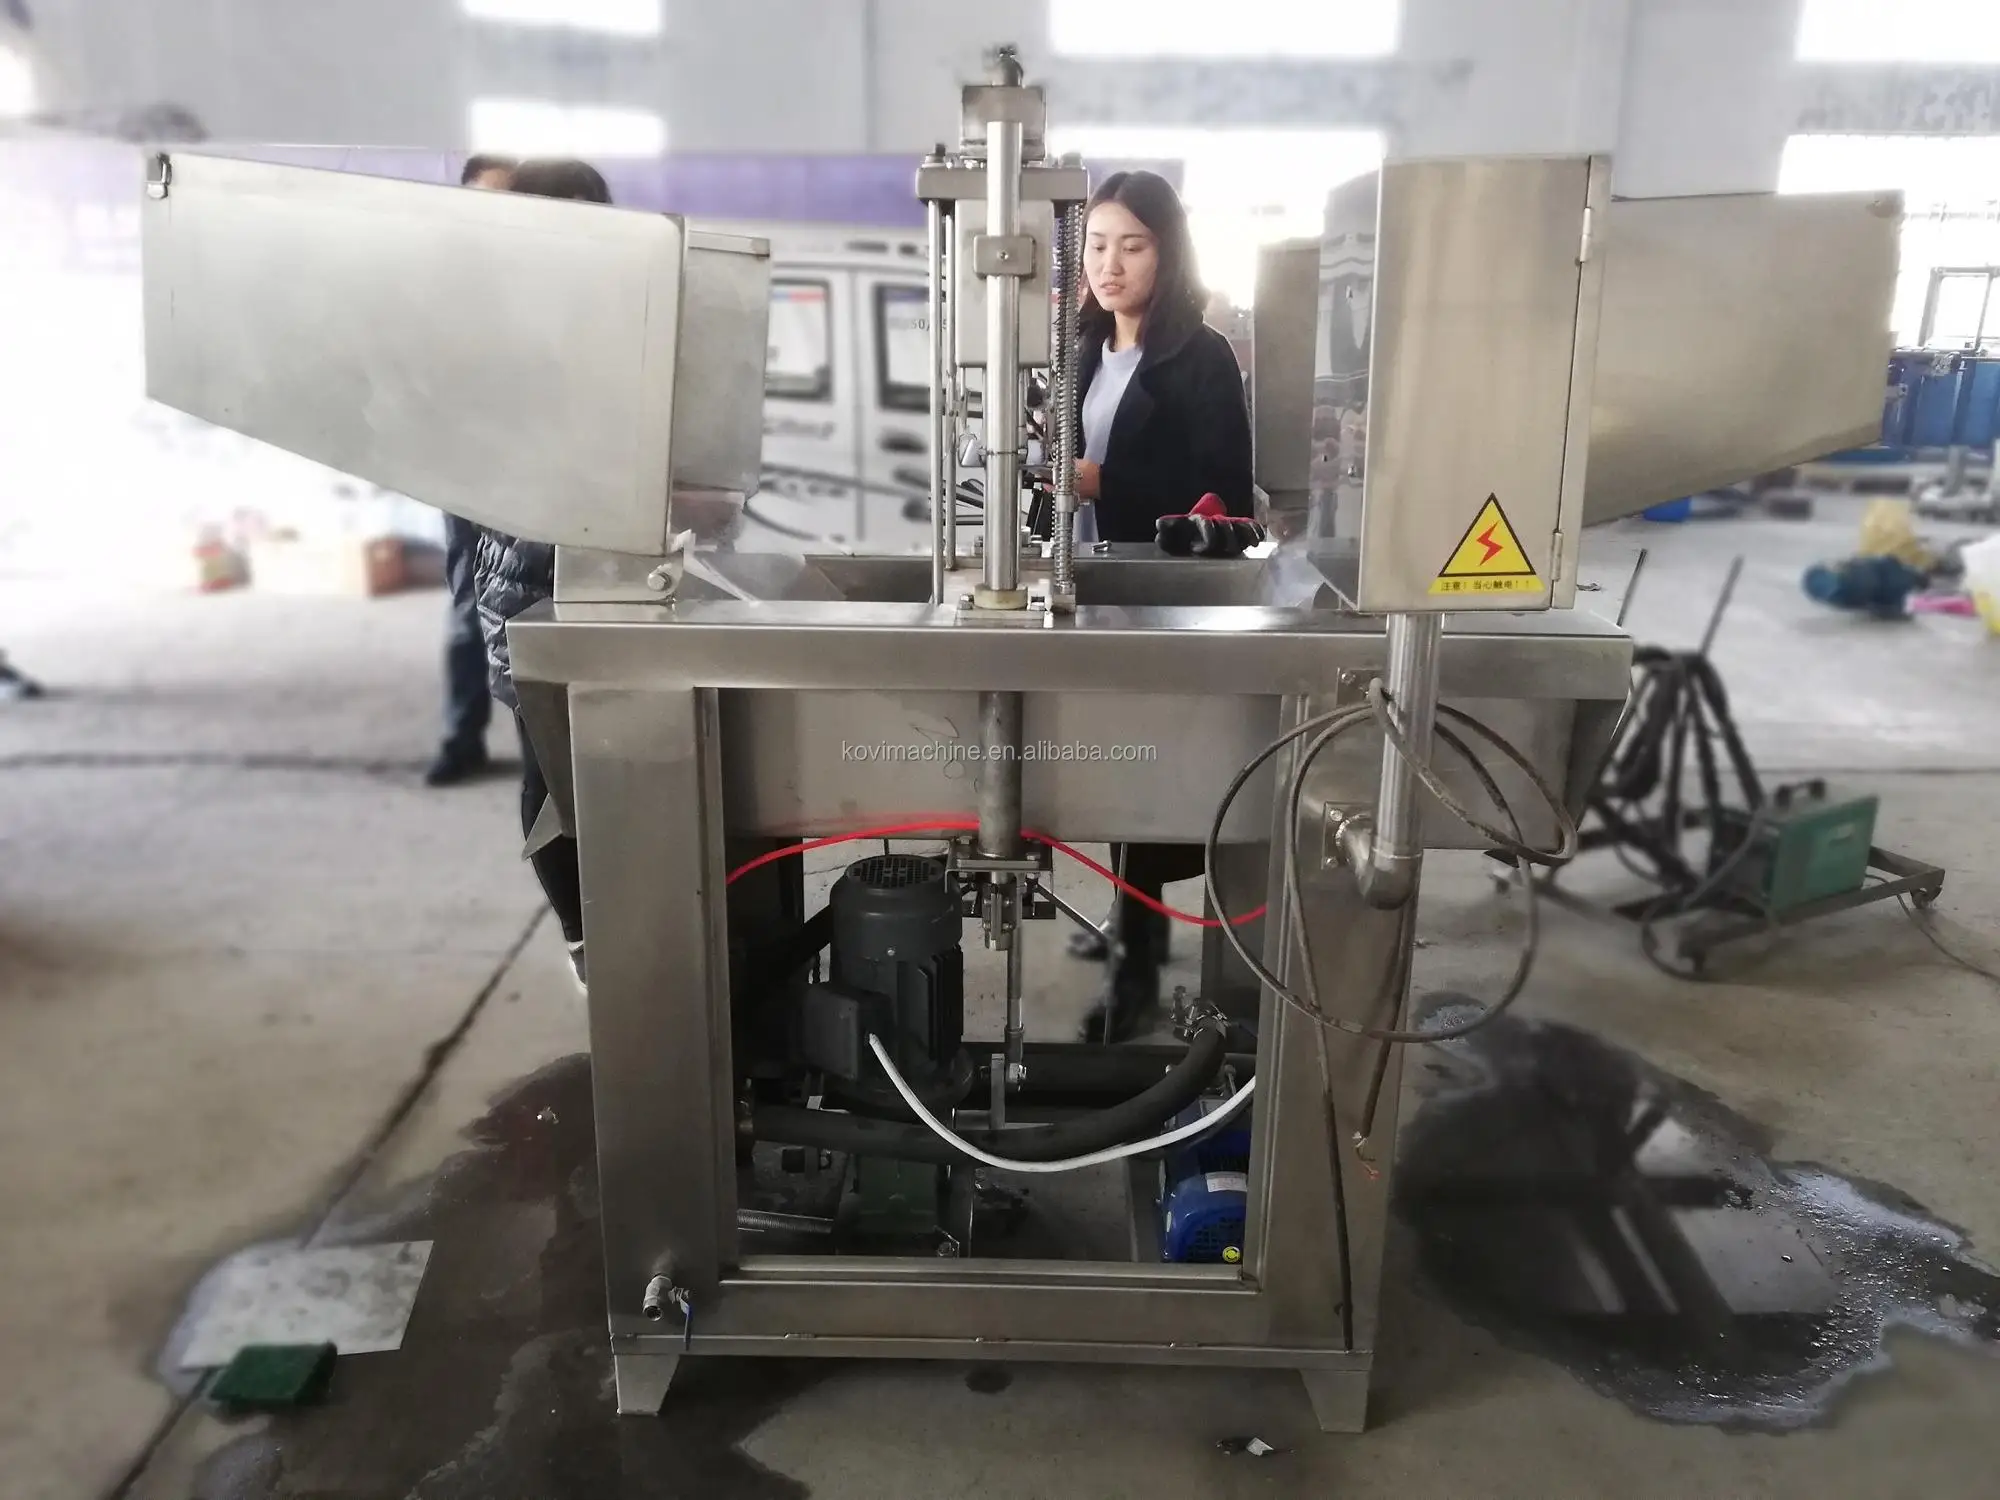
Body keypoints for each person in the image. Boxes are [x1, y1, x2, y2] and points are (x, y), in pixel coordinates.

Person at [1067, 169, 1255, 1041]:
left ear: (1167, 253)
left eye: (1132, 246)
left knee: (1147, 772)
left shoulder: (1201, 357)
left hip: (1164, 594)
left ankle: (1137, 972)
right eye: (1098, 244)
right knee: (1107, 763)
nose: (1110, 265)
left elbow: (1226, 494)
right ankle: (1126, 917)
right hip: (1090, 579)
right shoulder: (1081, 346)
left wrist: (1105, 481)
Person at [471, 157, 613, 991]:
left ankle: (630, 918)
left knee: (620, 762)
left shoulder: (615, 312)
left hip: (615, 572)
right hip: (529, 582)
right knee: (551, 773)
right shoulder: (500, 328)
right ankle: (583, 938)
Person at [425, 154, 517, 787]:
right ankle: (463, 737)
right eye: (488, 198)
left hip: (543, 465)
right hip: (464, 466)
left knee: (540, 609)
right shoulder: (446, 282)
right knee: (467, 607)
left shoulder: (551, 276)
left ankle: (554, 747)